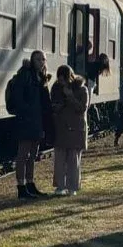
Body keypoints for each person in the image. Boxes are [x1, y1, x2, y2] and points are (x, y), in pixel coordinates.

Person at [7, 51, 52, 199]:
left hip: (37, 121)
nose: (41, 62)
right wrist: (27, 111)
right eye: (38, 59)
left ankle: (30, 183)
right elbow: (20, 99)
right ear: (32, 60)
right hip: (26, 120)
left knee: (33, 155)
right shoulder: (25, 76)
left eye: (43, 60)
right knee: (23, 154)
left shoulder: (42, 78)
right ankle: (21, 186)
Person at [50, 65, 89, 196]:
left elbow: (82, 108)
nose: (62, 82)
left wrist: (70, 96)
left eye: (64, 79)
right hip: (61, 127)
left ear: (70, 78)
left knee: (73, 159)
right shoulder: (55, 89)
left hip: (76, 128)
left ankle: (72, 187)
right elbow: (52, 106)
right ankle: (60, 186)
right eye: (60, 80)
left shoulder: (82, 89)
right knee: (59, 159)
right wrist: (57, 106)